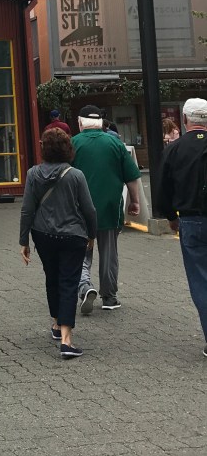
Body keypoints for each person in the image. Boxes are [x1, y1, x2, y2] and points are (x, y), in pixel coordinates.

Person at [19, 128, 97, 358]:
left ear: (44, 149)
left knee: (52, 278)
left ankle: (56, 323)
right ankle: (66, 340)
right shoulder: (76, 175)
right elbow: (89, 210)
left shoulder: (33, 174)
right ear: (67, 149)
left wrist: (24, 240)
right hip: (73, 235)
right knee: (69, 282)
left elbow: (27, 209)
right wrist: (92, 234)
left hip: (42, 235)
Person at [72, 104, 141, 313]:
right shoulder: (115, 143)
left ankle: (85, 287)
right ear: (101, 123)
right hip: (109, 208)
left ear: (80, 122)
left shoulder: (73, 143)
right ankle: (109, 297)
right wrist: (135, 201)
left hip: (78, 210)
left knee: (80, 253)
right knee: (109, 253)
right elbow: (131, 176)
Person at [158, 98, 207, 358]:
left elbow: (163, 188)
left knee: (200, 280)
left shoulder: (174, 149)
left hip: (190, 219)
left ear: (185, 120)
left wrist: (171, 216)